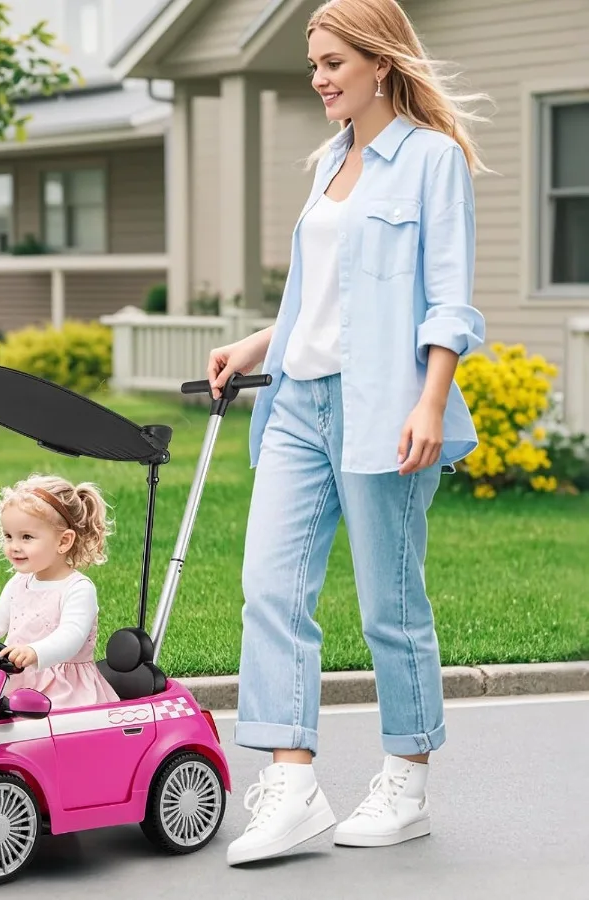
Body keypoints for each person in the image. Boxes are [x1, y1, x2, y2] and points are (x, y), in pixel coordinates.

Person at [206, 0, 490, 867]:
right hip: (297, 403)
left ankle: (406, 780)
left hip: (384, 407)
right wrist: (256, 343)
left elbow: (449, 298)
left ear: (379, 61)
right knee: (270, 585)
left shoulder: (432, 161)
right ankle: (291, 786)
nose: (321, 78)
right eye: (314, 64)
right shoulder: (332, 160)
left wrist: (431, 402)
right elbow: (316, 295)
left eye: (334, 62)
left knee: (389, 605)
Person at [0, 473, 120, 709]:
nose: (14, 546)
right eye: (8, 536)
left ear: (63, 542)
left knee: (39, 722)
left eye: (26, 537)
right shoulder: (19, 583)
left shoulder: (77, 589)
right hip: (19, 677)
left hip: (65, 687)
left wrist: (35, 652)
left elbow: (71, 637)